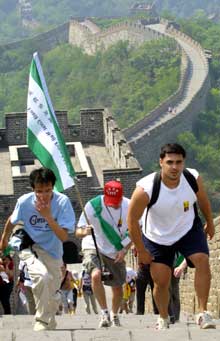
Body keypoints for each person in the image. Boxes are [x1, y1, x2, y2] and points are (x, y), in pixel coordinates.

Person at [127, 143, 216, 330]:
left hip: (187, 228)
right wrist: (141, 250)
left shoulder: (192, 178)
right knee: (161, 281)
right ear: (161, 162)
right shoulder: (146, 188)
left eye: (178, 162)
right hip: (157, 236)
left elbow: (203, 200)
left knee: (202, 259)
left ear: (183, 163)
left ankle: (202, 312)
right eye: (169, 162)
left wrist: (209, 221)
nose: (174, 167)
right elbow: (132, 220)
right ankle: (163, 316)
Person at [0, 167, 75, 331]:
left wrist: (47, 215)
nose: (44, 195)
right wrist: (4, 239)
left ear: (53, 187)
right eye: (39, 191)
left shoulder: (62, 202)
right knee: (41, 277)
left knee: (54, 293)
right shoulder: (25, 202)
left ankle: (49, 319)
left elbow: (63, 237)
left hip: (54, 252)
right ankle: (41, 320)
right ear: (33, 189)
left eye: (48, 191)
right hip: (30, 246)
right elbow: (12, 220)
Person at [75, 180, 131, 328]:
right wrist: (85, 231)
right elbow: (78, 231)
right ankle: (104, 312)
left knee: (118, 286)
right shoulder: (93, 206)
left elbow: (136, 230)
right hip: (93, 245)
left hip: (115, 249)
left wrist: (124, 249)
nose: (113, 204)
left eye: (116, 201)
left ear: (122, 196)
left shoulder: (129, 206)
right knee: (95, 275)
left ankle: (114, 314)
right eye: (110, 201)